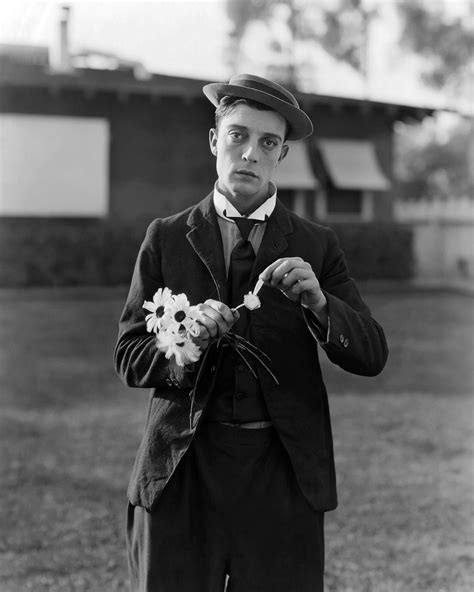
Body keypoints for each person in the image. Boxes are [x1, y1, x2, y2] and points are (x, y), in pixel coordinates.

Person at [114, 73, 388, 592]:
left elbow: (372, 353)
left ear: (281, 154)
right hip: (181, 471)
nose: (250, 154)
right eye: (237, 136)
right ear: (215, 141)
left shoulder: (317, 244)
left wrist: (322, 305)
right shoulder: (167, 237)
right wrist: (185, 345)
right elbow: (129, 355)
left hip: (282, 476)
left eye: (267, 143)